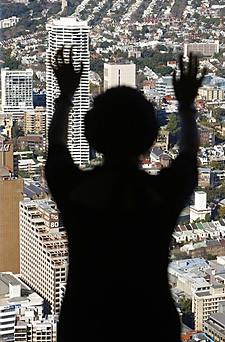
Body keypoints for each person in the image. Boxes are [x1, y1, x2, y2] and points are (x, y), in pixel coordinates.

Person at [45, 47, 205, 342]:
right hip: (150, 321)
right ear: (149, 137)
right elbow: (189, 151)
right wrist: (185, 104)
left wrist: (66, 95)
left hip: (85, 322)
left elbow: (55, 145)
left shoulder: (74, 191)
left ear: (92, 134)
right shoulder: (161, 195)